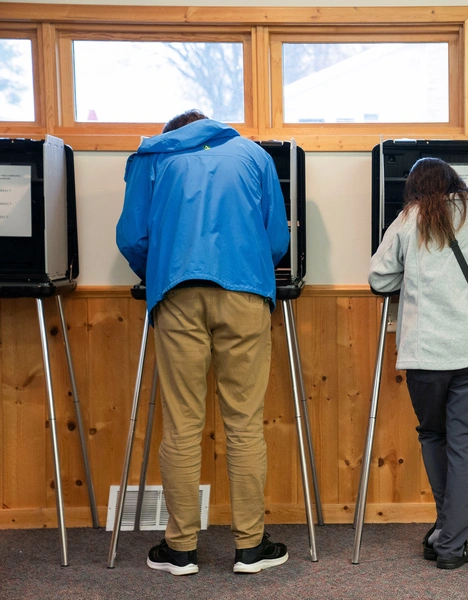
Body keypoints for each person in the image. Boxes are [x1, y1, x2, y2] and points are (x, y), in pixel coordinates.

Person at [116, 109, 290, 576]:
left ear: (175, 133)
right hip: (246, 291)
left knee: (181, 424)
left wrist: (160, 268)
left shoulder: (154, 157)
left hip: (176, 293)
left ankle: (180, 550)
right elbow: (276, 239)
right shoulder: (254, 155)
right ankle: (251, 548)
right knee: (245, 423)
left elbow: (133, 237)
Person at [369, 157, 468, 570]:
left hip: (423, 353)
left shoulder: (409, 217)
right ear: (458, 181)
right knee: (467, 446)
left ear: (415, 189)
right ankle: (451, 545)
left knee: (433, 436)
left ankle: (445, 529)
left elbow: (379, 278)